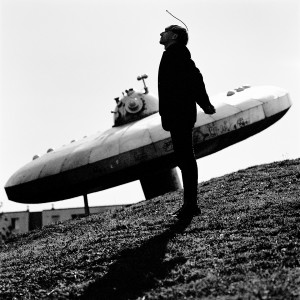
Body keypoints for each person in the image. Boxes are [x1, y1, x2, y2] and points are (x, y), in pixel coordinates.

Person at [158, 25, 216, 218]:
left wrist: (205, 104)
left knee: (186, 159)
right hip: (177, 115)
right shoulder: (173, 54)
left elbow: (195, 79)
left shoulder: (178, 54)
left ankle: (191, 206)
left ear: (174, 36)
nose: (161, 33)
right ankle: (189, 205)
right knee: (184, 159)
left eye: (165, 31)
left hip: (180, 115)